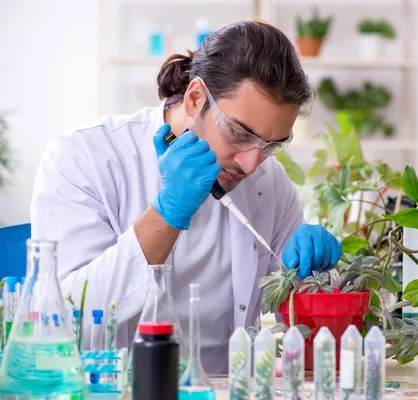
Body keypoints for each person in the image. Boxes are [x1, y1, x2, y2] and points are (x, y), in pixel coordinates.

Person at [30, 20, 342, 373]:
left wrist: (317, 279)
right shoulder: (84, 155)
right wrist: (167, 212)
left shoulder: (270, 181)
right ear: (195, 99)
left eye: (271, 145)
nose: (251, 162)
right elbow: (59, 328)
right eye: (240, 133)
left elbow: (296, 316)